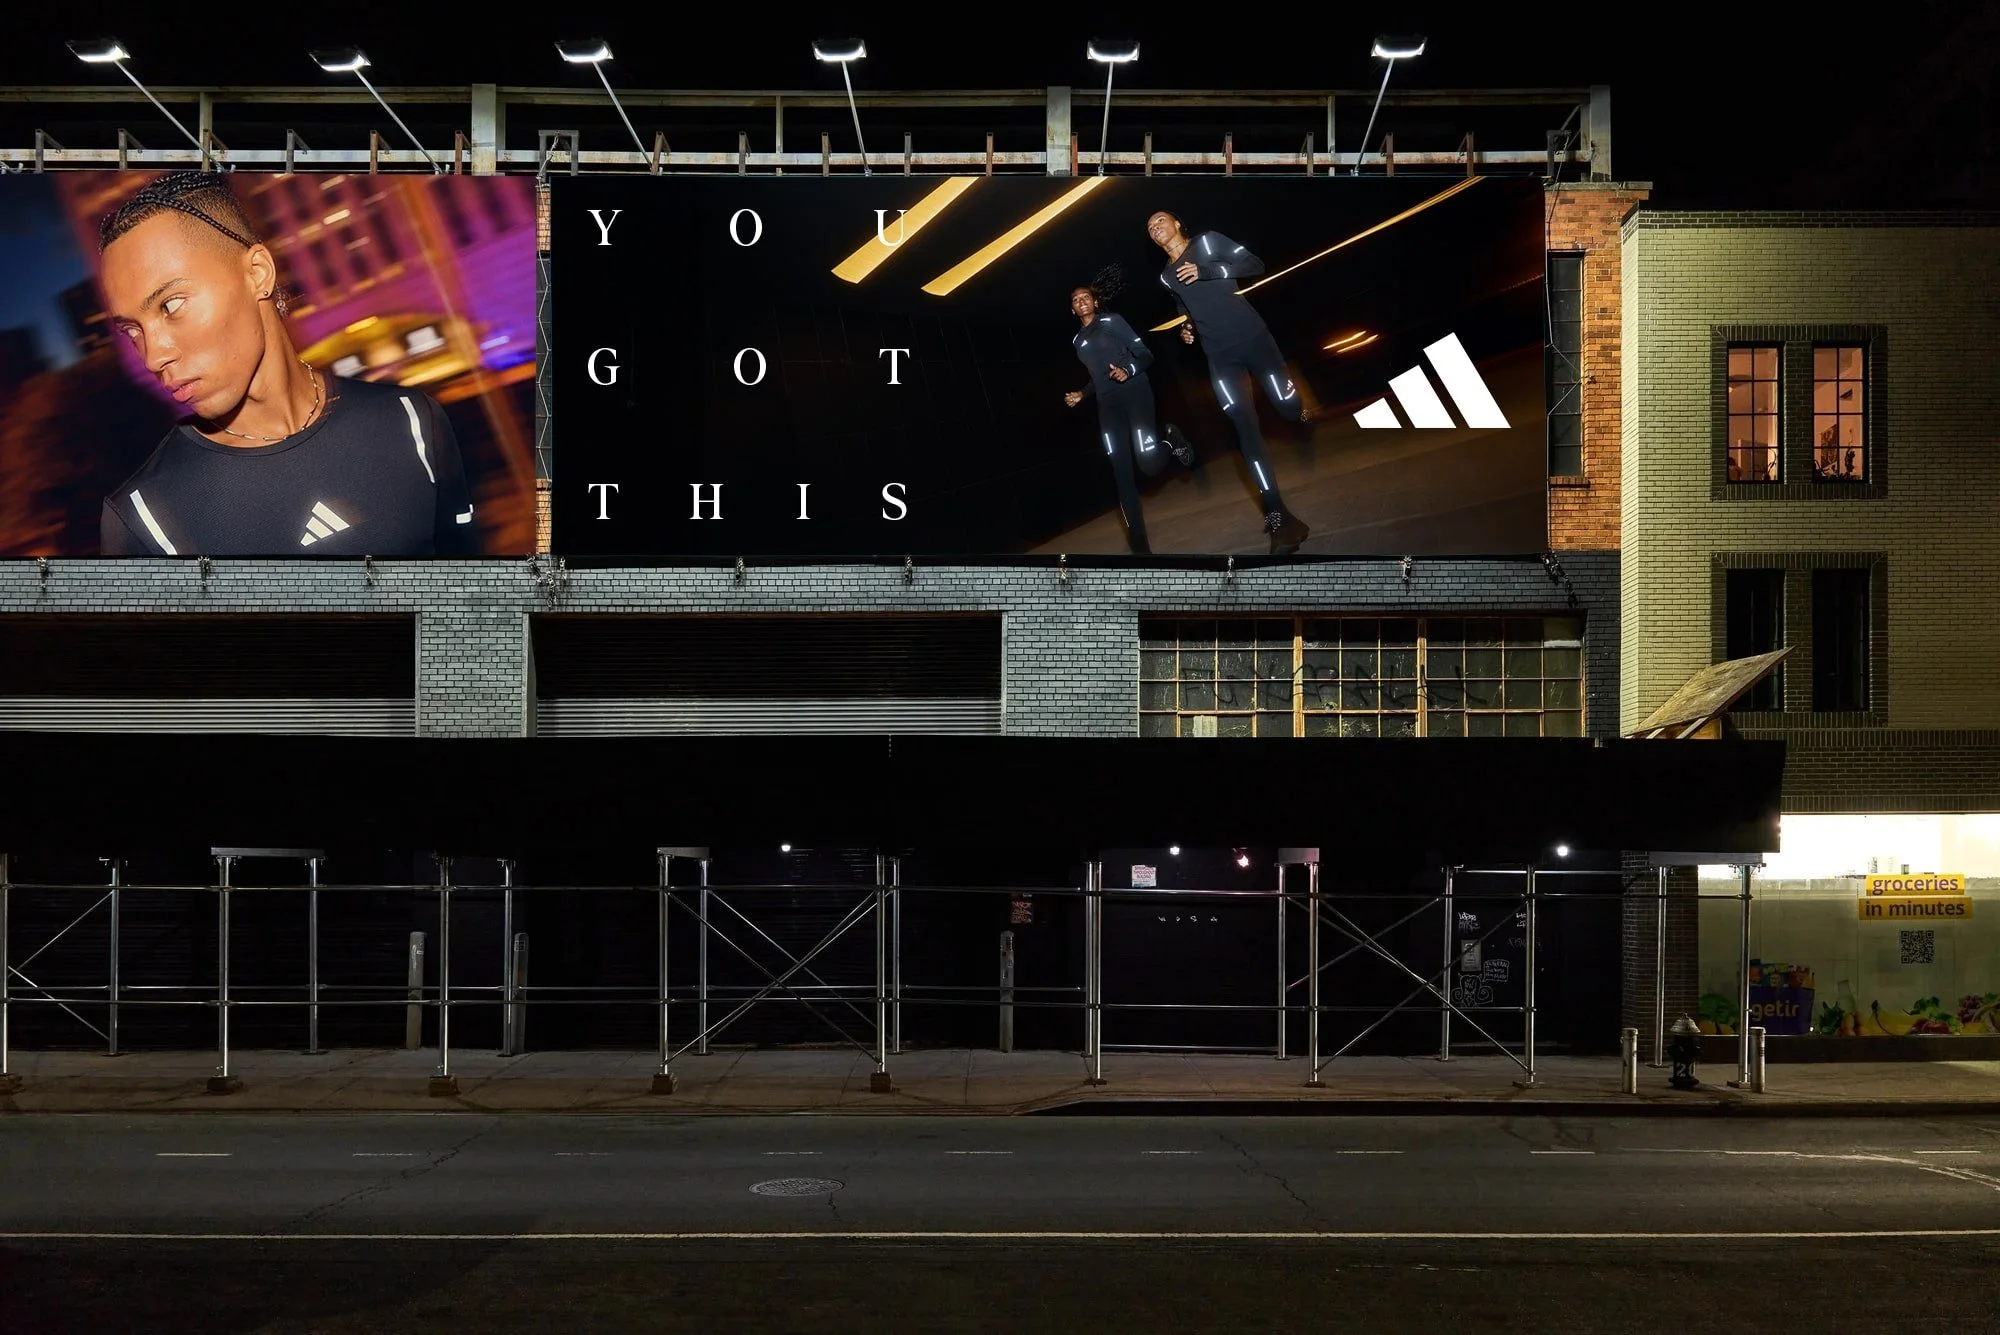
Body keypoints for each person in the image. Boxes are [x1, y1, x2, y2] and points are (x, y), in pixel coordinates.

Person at [95, 172, 476, 556]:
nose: (152, 356)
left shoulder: (411, 419)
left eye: (171, 305)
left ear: (257, 273)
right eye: (132, 329)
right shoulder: (145, 520)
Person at [1146, 210, 1311, 555]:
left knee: (1286, 406)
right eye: (1150, 228)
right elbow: (1184, 306)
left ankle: (1298, 408)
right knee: (1246, 433)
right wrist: (1186, 328)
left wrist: (1207, 271)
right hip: (1219, 358)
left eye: (1160, 220)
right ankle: (1278, 515)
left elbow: (1254, 265)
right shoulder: (1165, 276)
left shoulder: (1208, 242)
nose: (1155, 228)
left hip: (1254, 338)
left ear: (1178, 223)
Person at [1061, 270, 1194, 554]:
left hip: (1135, 392)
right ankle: (1141, 551)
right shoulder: (1077, 343)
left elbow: (1145, 355)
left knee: (1148, 464)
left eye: (1086, 297)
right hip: (1107, 405)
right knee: (1121, 474)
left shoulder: (1113, 321)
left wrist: (1127, 370)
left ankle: (1171, 439)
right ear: (1072, 309)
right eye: (1076, 299)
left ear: (1095, 302)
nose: (1082, 301)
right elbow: (1097, 377)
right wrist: (1081, 394)